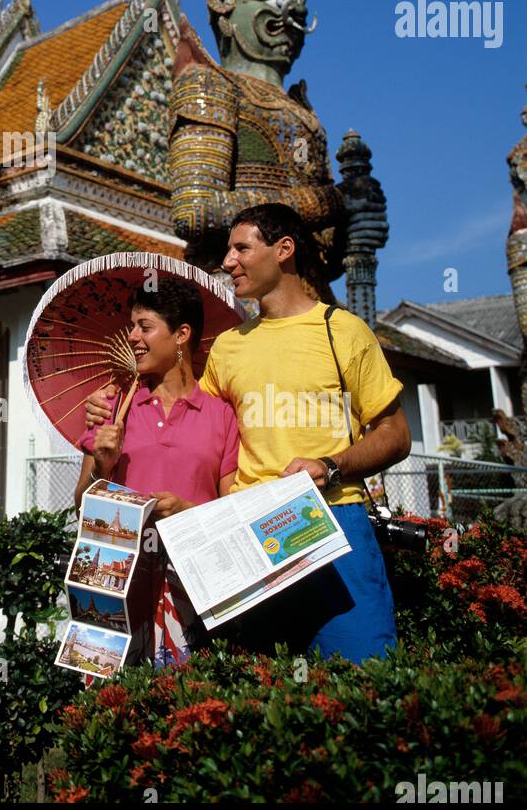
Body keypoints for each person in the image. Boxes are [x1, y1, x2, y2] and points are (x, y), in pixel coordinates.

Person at [86, 203, 411, 664]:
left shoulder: (343, 332)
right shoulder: (228, 349)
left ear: (283, 250)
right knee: (261, 686)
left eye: (241, 248)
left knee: (363, 673)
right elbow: (187, 419)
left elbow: (396, 434)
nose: (228, 262)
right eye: (227, 251)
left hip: (336, 517)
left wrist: (330, 465)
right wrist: (108, 402)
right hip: (255, 532)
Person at [74, 276, 240, 666]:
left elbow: (232, 509)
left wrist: (186, 509)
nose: (132, 336)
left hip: (192, 581)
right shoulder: (111, 408)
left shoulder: (222, 416)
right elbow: (81, 504)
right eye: (131, 326)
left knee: (186, 701)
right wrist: (102, 464)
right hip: (114, 583)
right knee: (105, 707)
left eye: (144, 327)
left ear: (181, 334)